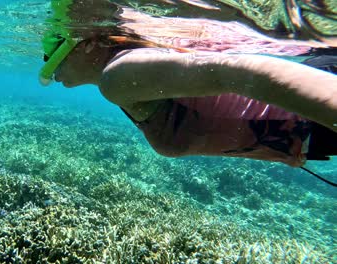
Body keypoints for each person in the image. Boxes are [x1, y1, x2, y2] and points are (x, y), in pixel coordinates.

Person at [39, 6, 337, 173]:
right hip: (313, 128)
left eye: (51, 56)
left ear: (88, 43)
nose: (52, 72)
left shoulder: (117, 78)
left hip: (317, 116)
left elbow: (241, 72)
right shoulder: (124, 78)